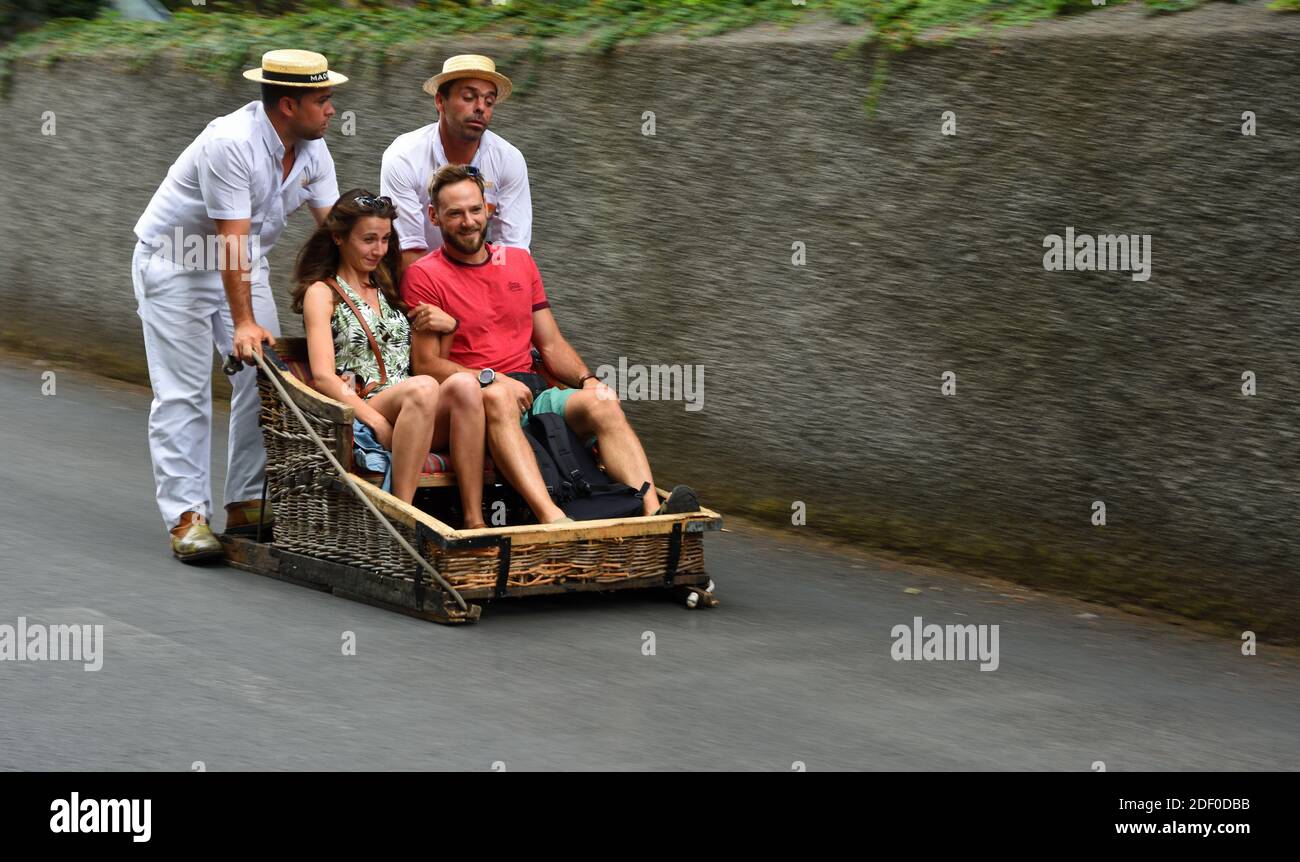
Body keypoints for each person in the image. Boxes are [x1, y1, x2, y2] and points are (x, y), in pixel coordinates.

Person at [132, 49, 346, 562]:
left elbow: (337, 233)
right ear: (289, 105)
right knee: (183, 392)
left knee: (265, 379)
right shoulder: (230, 143)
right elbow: (230, 240)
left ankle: (248, 502)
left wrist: (376, 299)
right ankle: (188, 518)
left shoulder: (313, 149)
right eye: (323, 100)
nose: (333, 110)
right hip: (178, 264)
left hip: (243, 265)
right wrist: (245, 322)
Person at [401, 164, 699, 523]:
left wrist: (589, 380)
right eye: (455, 213)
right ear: (434, 217)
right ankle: (553, 518)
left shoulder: (519, 263)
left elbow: (552, 343)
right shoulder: (424, 276)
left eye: (475, 209)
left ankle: (653, 514)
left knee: (602, 402)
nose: (468, 221)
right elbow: (427, 365)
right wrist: (492, 378)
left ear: (488, 209)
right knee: (496, 396)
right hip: (476, 399)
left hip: (535, 391)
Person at [292, 190, 486, 522]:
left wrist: (450, 328)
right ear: (339, 238)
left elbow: (416, 361)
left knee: (466, 387)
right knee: (424, 387)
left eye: (384, 239)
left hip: (414, 406)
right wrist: (376, 420)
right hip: (367, 406)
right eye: (369, 239)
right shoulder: (322, 293)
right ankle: (401, 517)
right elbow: (323, 376)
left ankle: (474, 518)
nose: (379, 250)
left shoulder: (388, 290)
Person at [380, 54, 532, 277]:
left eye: (489, 102)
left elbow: (512, 249)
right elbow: (409, 252)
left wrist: (491, 295)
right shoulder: (404, 156)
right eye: (469, 97)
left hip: (483, 279)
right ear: (440, 101)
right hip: (420, 281)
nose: (481, 107)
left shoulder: (509, 159)